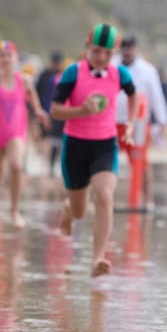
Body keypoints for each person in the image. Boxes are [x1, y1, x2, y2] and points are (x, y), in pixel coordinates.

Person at [50, 24, 137, 277]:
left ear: (115, 54)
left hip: (105, 145)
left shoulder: (120, 74)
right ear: (87, 48)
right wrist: (80, 111)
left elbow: (133, 95)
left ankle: (98, 258)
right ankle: (68, 209)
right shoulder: (72, 73)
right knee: (79, 211)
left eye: (107, 53)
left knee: (104, 194)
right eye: (97, 51)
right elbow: (55, 110)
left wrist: (130, 123)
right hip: (75, 146)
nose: (101, 57)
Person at [0, 40, 49, 227]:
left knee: (16, 166)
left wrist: (38, 109)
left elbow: (32, 93)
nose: (5, 59)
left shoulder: (23, 80)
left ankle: (15, 211)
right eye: (1, 55)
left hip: (16, 133)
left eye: (9, 55)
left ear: (16, 58)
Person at [113, 35, 167, 209]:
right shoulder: (112, 64)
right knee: (105, 159)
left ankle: (147, 199)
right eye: (124, 48)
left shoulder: (147, 69)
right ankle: (104, 199)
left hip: (137, 123)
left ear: (136, 49)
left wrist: (162, 121)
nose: (127, 51)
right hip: (112, 121)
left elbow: (156, 96)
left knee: (141, 162)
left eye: (130, 48)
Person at [35, 51, 66, 178]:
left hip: (60, 113)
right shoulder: (44, 75)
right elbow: (36, 92)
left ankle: (53, 166)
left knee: (56, 140)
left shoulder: (64, 75)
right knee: (45, 139)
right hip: (45, 111)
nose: (56, 64)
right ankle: (46, 165)